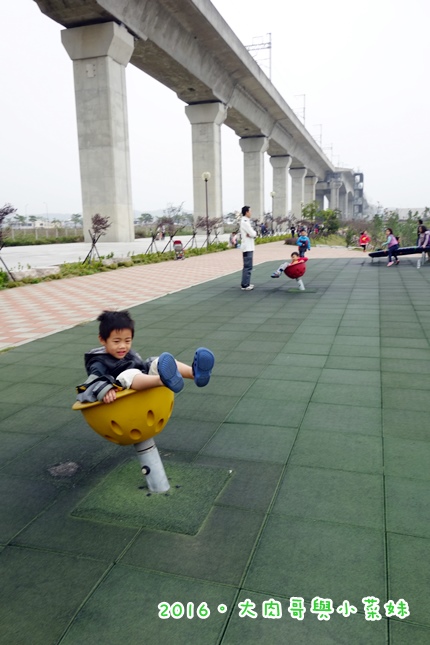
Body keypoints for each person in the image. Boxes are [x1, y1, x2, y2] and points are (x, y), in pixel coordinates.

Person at [76, 310, 215, 403]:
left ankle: (194, 373)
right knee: (128, 374)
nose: (123, 346)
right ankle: (164, 380)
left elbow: (142, 367)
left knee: (157, 361)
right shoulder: (98, 362)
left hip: (143, 380)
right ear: (102, 340)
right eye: (116, 341)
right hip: (124, 390)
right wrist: (105, 390)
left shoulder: (126, 353)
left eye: (127, 341)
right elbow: (90, 383)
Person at [239, 205, 257, 291]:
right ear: (246, 212)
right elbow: (253, 233)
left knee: (248, 266)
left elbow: (251, 234)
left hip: (248, 246)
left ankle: (246, 283)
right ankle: (245, 285)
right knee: (248, 266)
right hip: (247, 247)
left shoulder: (246, 221)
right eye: (250, 211)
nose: (251, 213)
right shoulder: (245, 221)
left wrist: (251, 234)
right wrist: (252, 234)